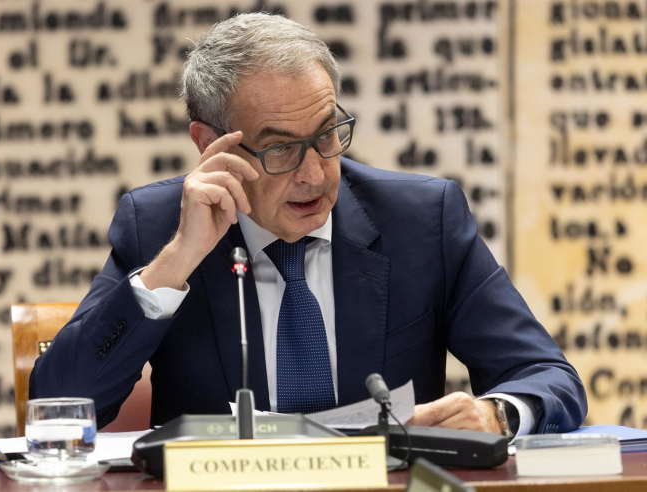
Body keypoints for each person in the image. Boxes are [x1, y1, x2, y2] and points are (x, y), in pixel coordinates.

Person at [30, 13, 586, 439]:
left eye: (326, 135)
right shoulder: (158, 226)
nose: (315, 174)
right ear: (209, 145)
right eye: (280, 149)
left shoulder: (422, 221)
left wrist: (496, 414)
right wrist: (176, 262)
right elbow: (56, 405)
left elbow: (547, 375)